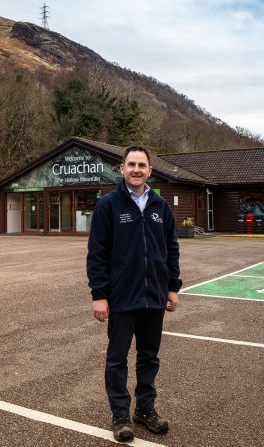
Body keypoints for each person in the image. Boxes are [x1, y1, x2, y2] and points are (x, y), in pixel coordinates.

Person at [87, 145, 182, 442]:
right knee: (117, 358)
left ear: (150, 170)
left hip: (154, 296)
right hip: (121, 297)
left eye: (142, 164)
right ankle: (119, 415)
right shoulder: (108, 205)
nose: (137, 169)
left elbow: (172, 250)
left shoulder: (160, 206)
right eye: (131, 164)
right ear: (122, 168)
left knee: (149, 357)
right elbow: (97, 254)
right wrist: (99, 295)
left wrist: (172, 287)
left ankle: (145, 410)